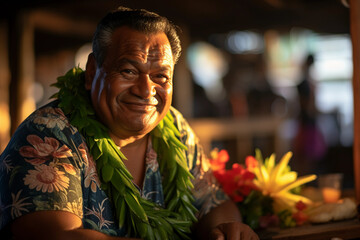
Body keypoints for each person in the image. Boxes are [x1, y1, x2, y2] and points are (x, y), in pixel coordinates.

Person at [0, 6, 259, 240]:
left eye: (160, 76)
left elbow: (213, 203)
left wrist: (226, 229)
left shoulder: (174, 127)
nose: (146, 90)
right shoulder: (50, 134)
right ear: (92, 71)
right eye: (129, 71)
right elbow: (55, 235)